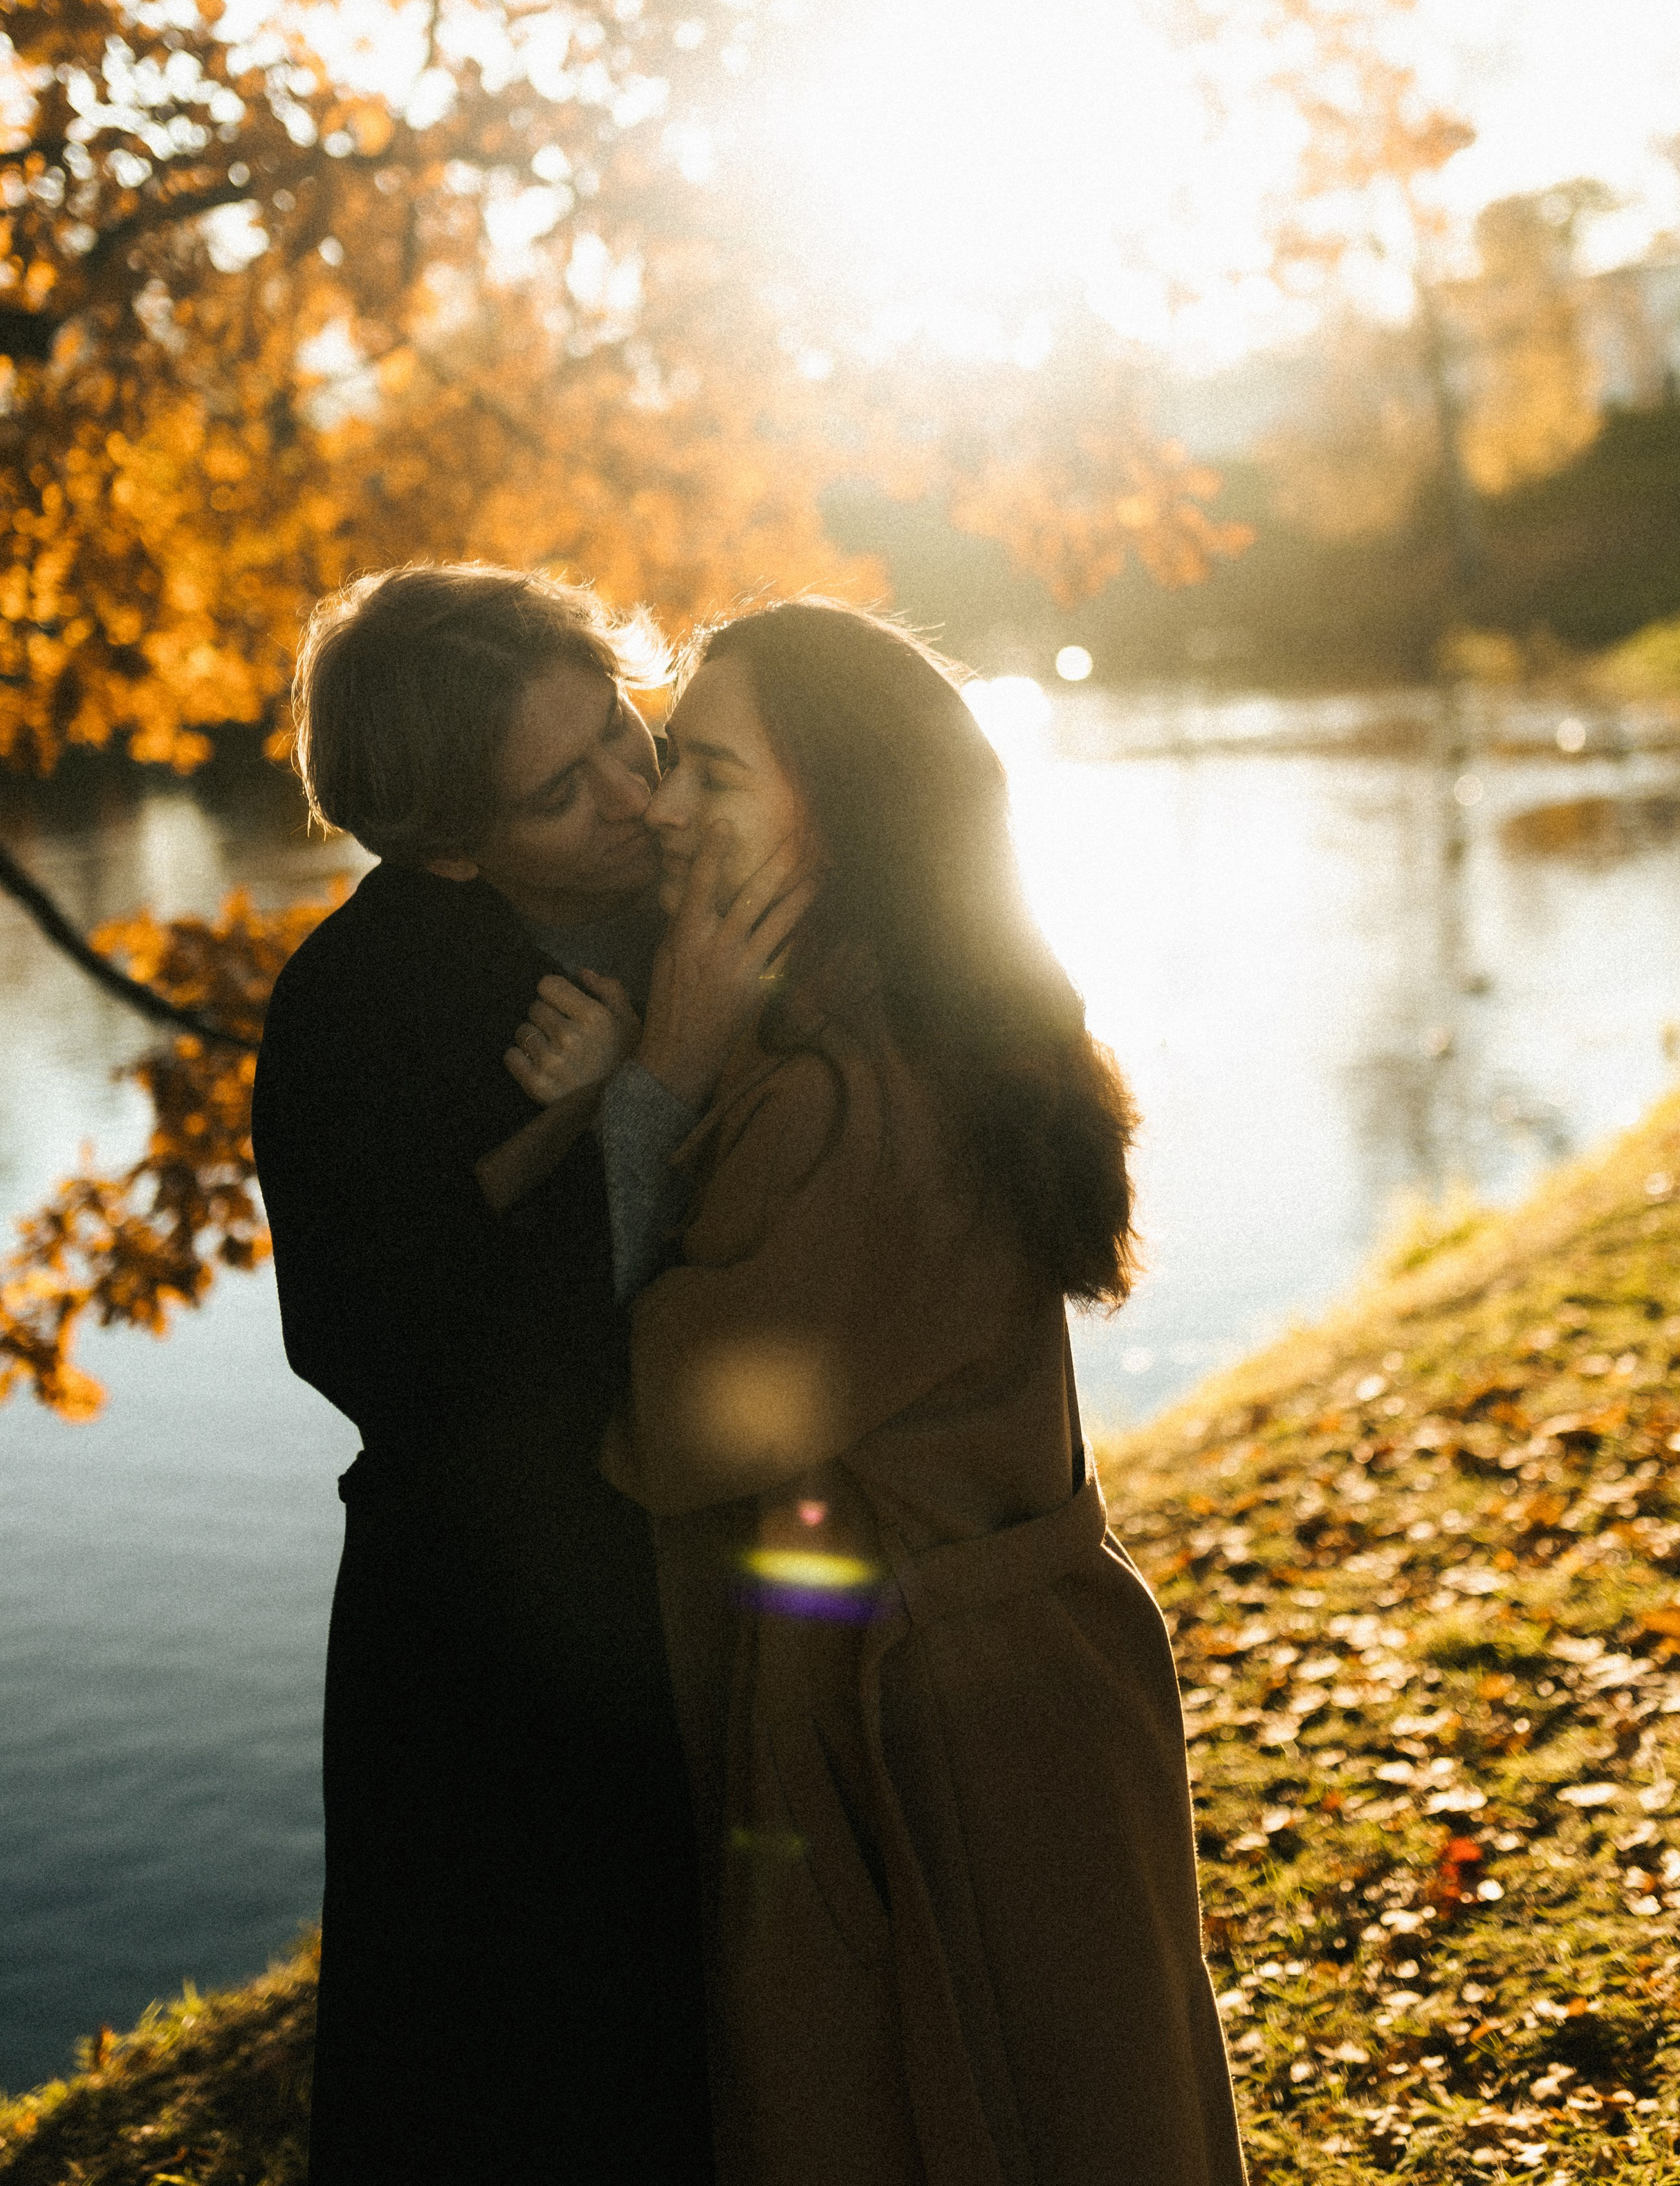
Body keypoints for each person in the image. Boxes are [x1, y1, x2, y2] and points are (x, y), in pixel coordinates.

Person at [506, 598, 1247, 2186]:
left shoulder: (845, 1096)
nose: (662, 809)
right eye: (668, 761)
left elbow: (664, 1426)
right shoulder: (919, 1016)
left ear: (835, 813)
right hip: (1002, 1703)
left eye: (710, 772)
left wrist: (656, 1090)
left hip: (938, 1753)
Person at [250, 563, 715, 2186]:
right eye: (557, 791)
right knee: (508, 2085)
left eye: (618, 733)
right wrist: (603, 1105)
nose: (629, 794)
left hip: (734, 1561)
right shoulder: (353, 1006)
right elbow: (364, 1344)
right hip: (484, 1634)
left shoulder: (709, 869)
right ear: (447, 843)